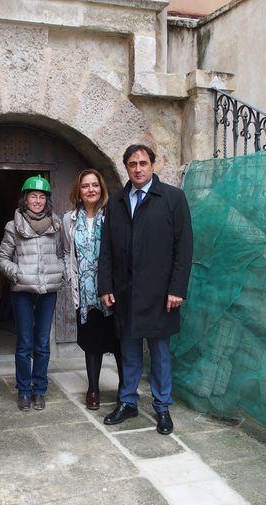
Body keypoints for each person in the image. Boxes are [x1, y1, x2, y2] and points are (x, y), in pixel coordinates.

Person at [98, 144, 193, 435]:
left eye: (142, 163)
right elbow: (107, 249)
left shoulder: (173, 198)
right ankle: (128, 401)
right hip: (125, 293)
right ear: (126, 167)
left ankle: (162, 407)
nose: (137, 169)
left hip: (160, 294)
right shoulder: (116, 201)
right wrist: (105, 285)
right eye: (131, 164)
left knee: (160, 353)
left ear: (153, 164)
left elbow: (184, 247)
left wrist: (177, 288)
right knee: (128, 352)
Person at [0, 175, 64, 411]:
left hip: (47, 291)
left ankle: (40, 390)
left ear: (47, 200)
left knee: (42, 343)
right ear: (25, 199)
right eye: (33, 196)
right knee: (25, 343)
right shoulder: (13, 226)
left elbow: (62, 254)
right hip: (22, 291)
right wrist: (17, 273)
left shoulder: (56, 225)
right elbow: (2, 258)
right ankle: (24, 390)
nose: (37, 201)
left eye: (42, 197)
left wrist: (60, 271)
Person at [62, 169, 122, 410]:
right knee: (91, 342)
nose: (90, 190)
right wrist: (70, 277)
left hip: (111, 291)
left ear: (102, 189)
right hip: (85, 294)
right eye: (85, 186)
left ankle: (124, 389)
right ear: (78, 191)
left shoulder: (112, 215)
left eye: (95, 185)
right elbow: (67, 252)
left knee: (118, 342)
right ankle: (93, 389)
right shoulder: (69, 219)